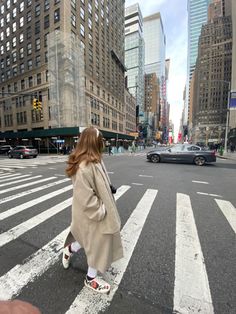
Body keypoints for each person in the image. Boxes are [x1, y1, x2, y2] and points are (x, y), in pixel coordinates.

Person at [62, 127, 123, 294]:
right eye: (100, 140)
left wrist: (109, 188)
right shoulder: (84, 166)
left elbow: (98, 182)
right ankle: (90, 279)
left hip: (93, 211)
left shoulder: (95, 160)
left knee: (88, 241)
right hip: (90, 213)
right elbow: (87, 200)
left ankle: (69, 249)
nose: (102, 142)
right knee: (97, 243)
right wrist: (102, 210)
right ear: (92, 142)